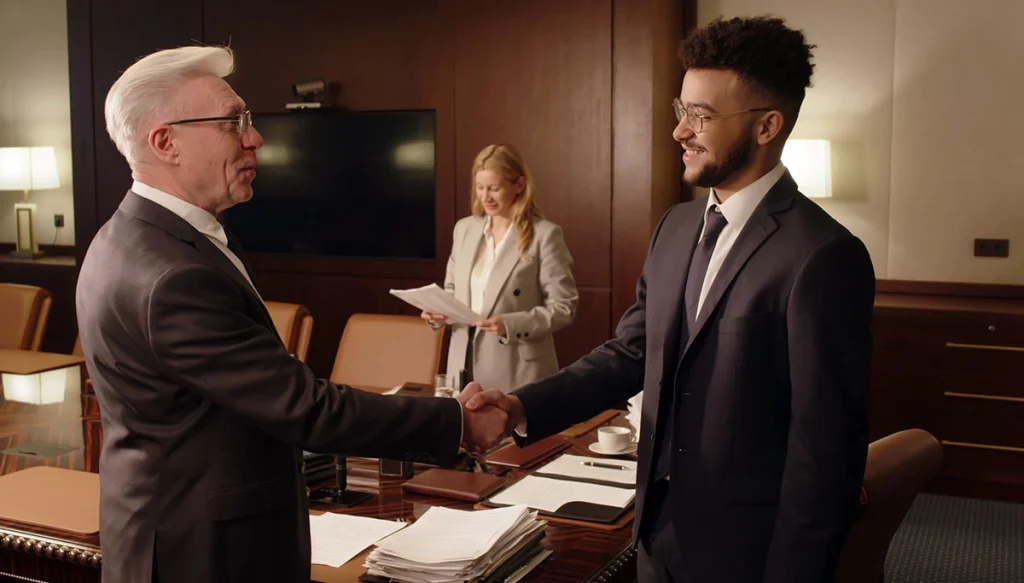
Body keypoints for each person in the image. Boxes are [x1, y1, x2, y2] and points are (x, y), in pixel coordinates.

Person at [463, 16, 876, 583]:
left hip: (747, 554)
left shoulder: (823, 255)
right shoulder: (675, 228)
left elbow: (825, 451)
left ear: (767, 126)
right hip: (656, 534)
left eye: (701, 116)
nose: (680, 132)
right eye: (681, 111)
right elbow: (629, 354)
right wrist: (520, 406)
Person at [76, 46, 505, 583]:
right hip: (205, 554)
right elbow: (306, 409)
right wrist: (457, 422)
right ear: (166, 142)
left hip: (177, 533)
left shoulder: (127, 238)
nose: (255, 138)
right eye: (234, 122)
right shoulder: (173, 274)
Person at [421, 144, 578, 393]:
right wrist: (440, 312)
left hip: (517, 368)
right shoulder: (464, 229)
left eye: (494, 188)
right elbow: (452, 290)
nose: (486, 197)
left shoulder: (545, 235)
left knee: (510, 432)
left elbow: (564, 307)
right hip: (462, 362)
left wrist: (512, 324)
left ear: (519, 185)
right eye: (480, 188)